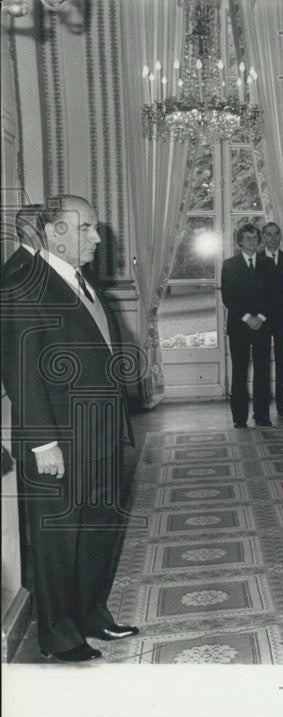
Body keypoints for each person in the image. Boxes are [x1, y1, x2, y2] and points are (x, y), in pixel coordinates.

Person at [0, 194, 138, 662]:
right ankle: (58, 634)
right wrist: (43, 443)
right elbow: (21, 371)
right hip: (58, 438)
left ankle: (92, 614)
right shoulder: (25, 283)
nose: (98, 238)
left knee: (98, 526)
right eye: (87, 229)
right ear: (56, 232)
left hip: (100, 433)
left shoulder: (81, 280)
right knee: (59, 538)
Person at [221, 223, 276, 428]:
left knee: (262, 371)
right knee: (239, 372)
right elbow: (229, 297)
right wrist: (247, 318)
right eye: (247, 238)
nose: (252, 242)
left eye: (255, 238)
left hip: (263, 325)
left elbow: (273, 296)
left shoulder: (268, 264)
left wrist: (260, 317)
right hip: (239, 326)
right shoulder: (229, 264)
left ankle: (262, 415)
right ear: (239, 241)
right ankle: (239, 418)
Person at [260, 222, 283, 419]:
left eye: (276, 234)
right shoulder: (256, 259)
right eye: (268, 235)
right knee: (263, 363)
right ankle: (263, 407)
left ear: (280, 236)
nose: (272, 238)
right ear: (263, 237)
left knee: (282, 363)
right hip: (262, 321)